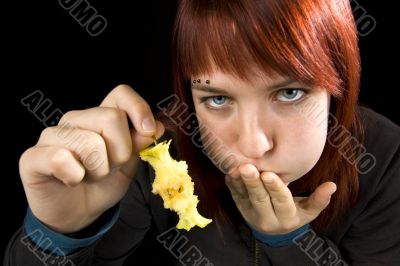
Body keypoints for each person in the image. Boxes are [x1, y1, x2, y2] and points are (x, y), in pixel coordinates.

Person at [4, 0, 400, 265]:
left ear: (338, 83)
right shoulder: (152, 156)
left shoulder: (386, 157)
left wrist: (291, 244)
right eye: (217, 99)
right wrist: (56, 235)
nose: (253, 145)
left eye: (289, 92)